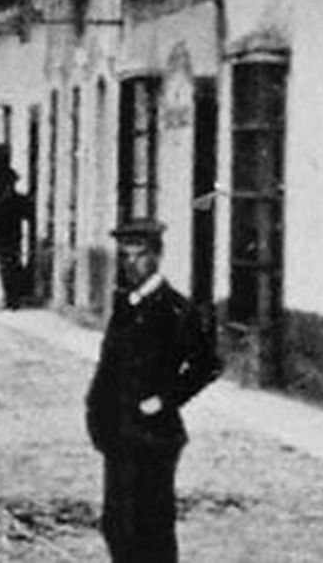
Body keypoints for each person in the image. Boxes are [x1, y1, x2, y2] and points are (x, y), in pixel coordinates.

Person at [85, 220, 222, 563]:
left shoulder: (176, 309)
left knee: (152, 528)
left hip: (155, 437)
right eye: (125, 256)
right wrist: (96, 412)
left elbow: (207, 364)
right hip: (120, 433)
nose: (131, 263)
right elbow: (109, 366)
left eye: (140, 255)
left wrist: (164, 400)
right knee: (117, 525)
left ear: (157, 256)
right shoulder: (125, 304)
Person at [0, 168, 34, 309]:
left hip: (12, 240)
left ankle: (13, 299)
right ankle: (10, 298)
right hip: (4, 240)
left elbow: (29, 216)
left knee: (10, 269)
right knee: (6, 270)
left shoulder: (15, 200)